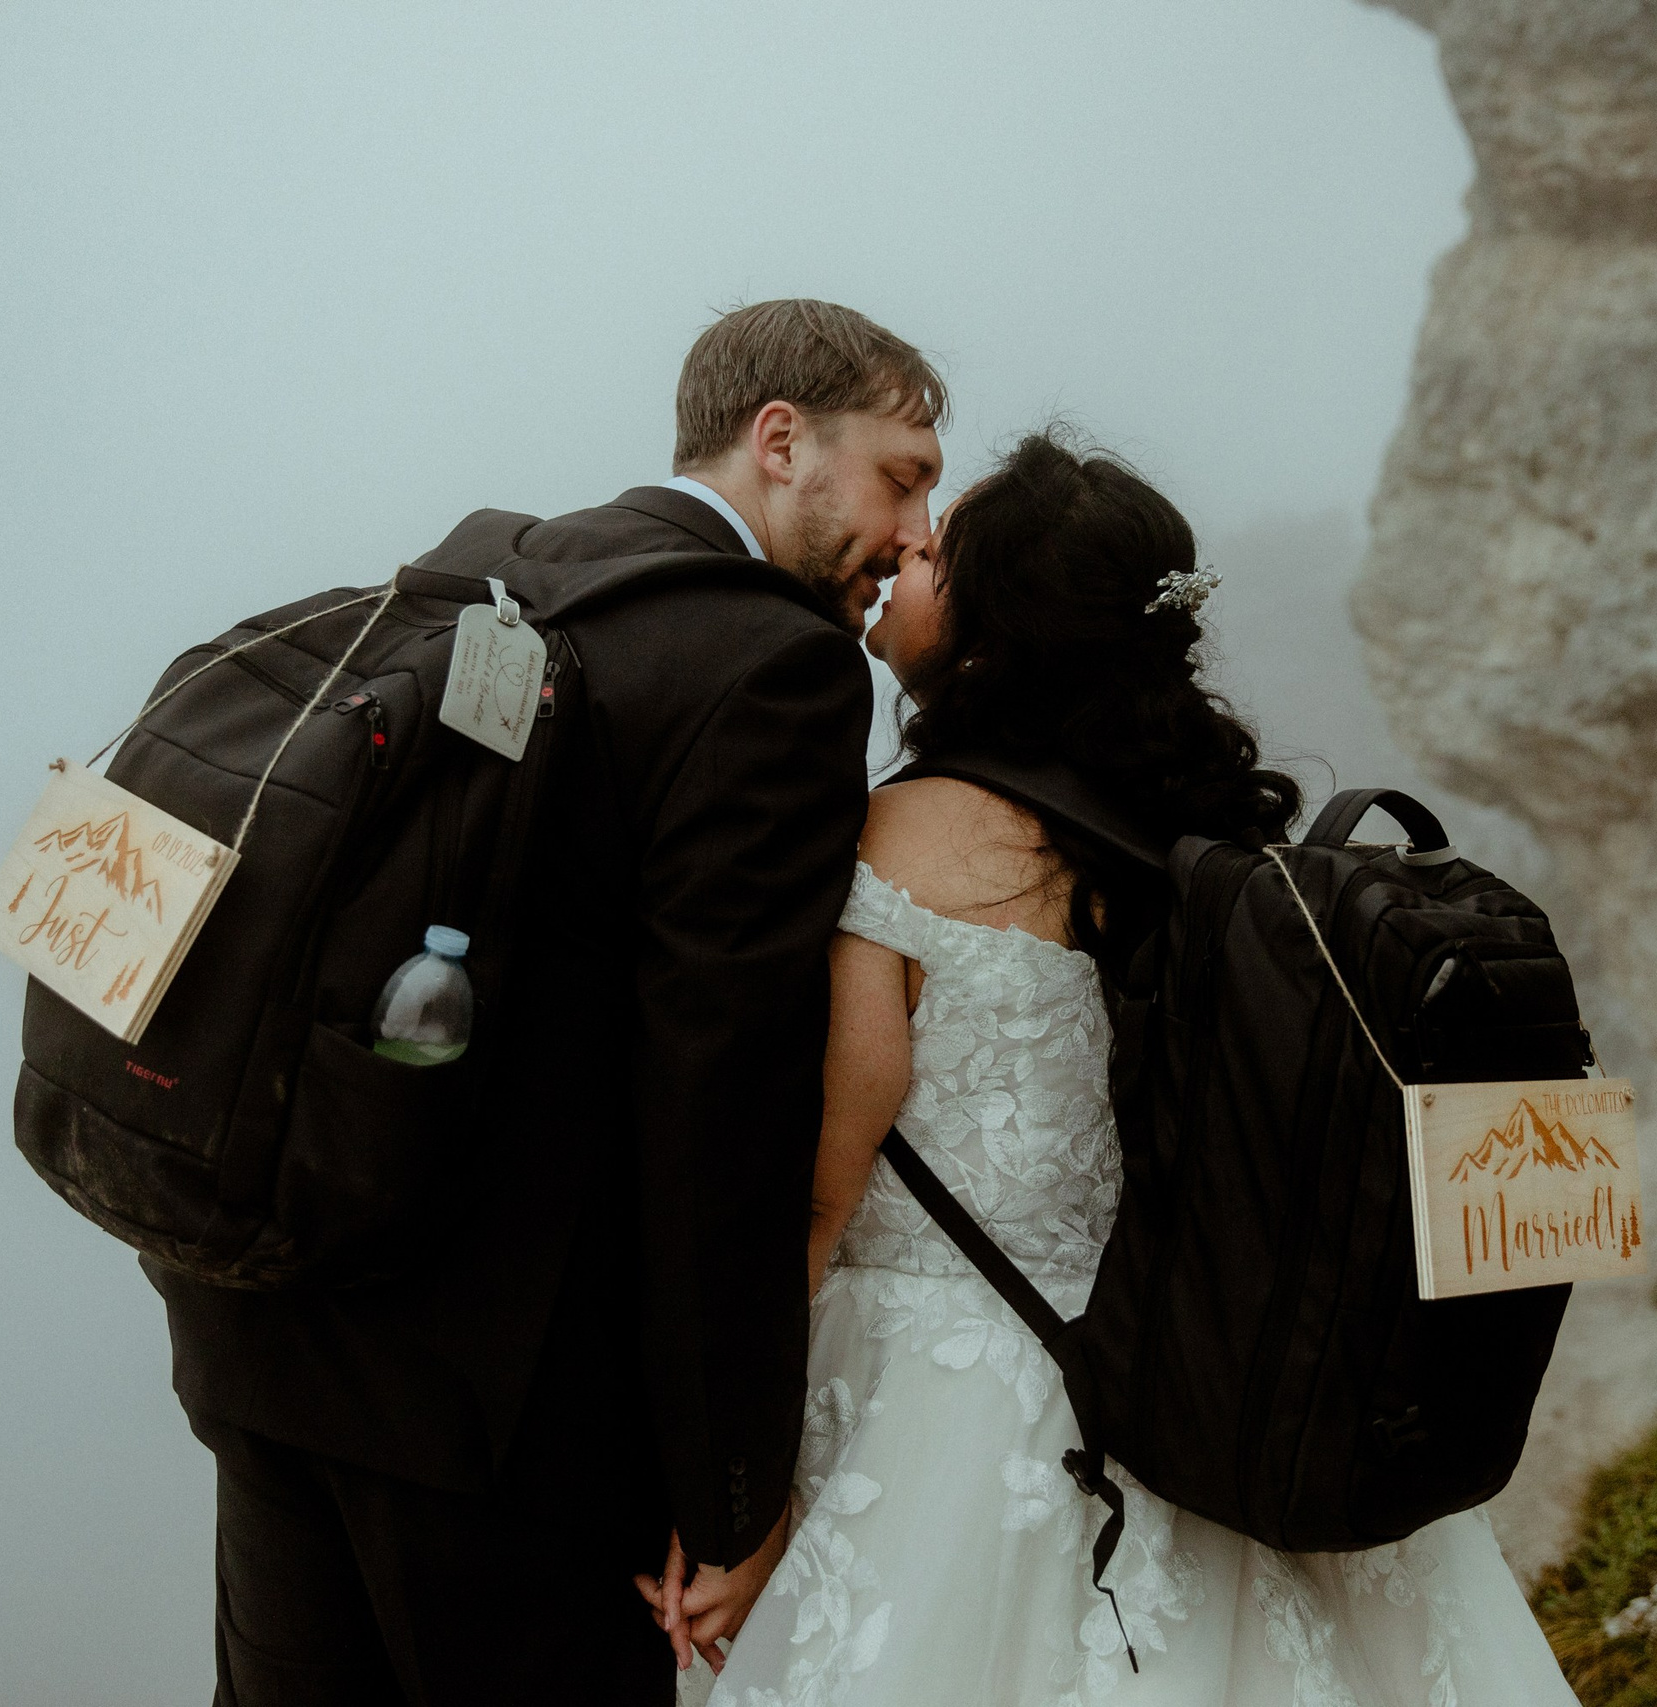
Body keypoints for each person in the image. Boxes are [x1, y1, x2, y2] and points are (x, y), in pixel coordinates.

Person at [650, 433, 1583, 1706]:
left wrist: (741, 1506)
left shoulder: (894, 839)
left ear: (992, 634)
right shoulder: (1213, 841)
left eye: (937, 550)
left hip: (938, 1419)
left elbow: (814, 1196)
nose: (905, 551)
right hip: (1185, 1377)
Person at [149, 299, 945, 1706]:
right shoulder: (770, 663)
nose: (910, 525)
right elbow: (723, 1095)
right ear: (781, 442)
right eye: (903, 473)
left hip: (273, 1326)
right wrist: (736, 1479)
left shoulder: (483, 573)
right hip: (504, 1424)